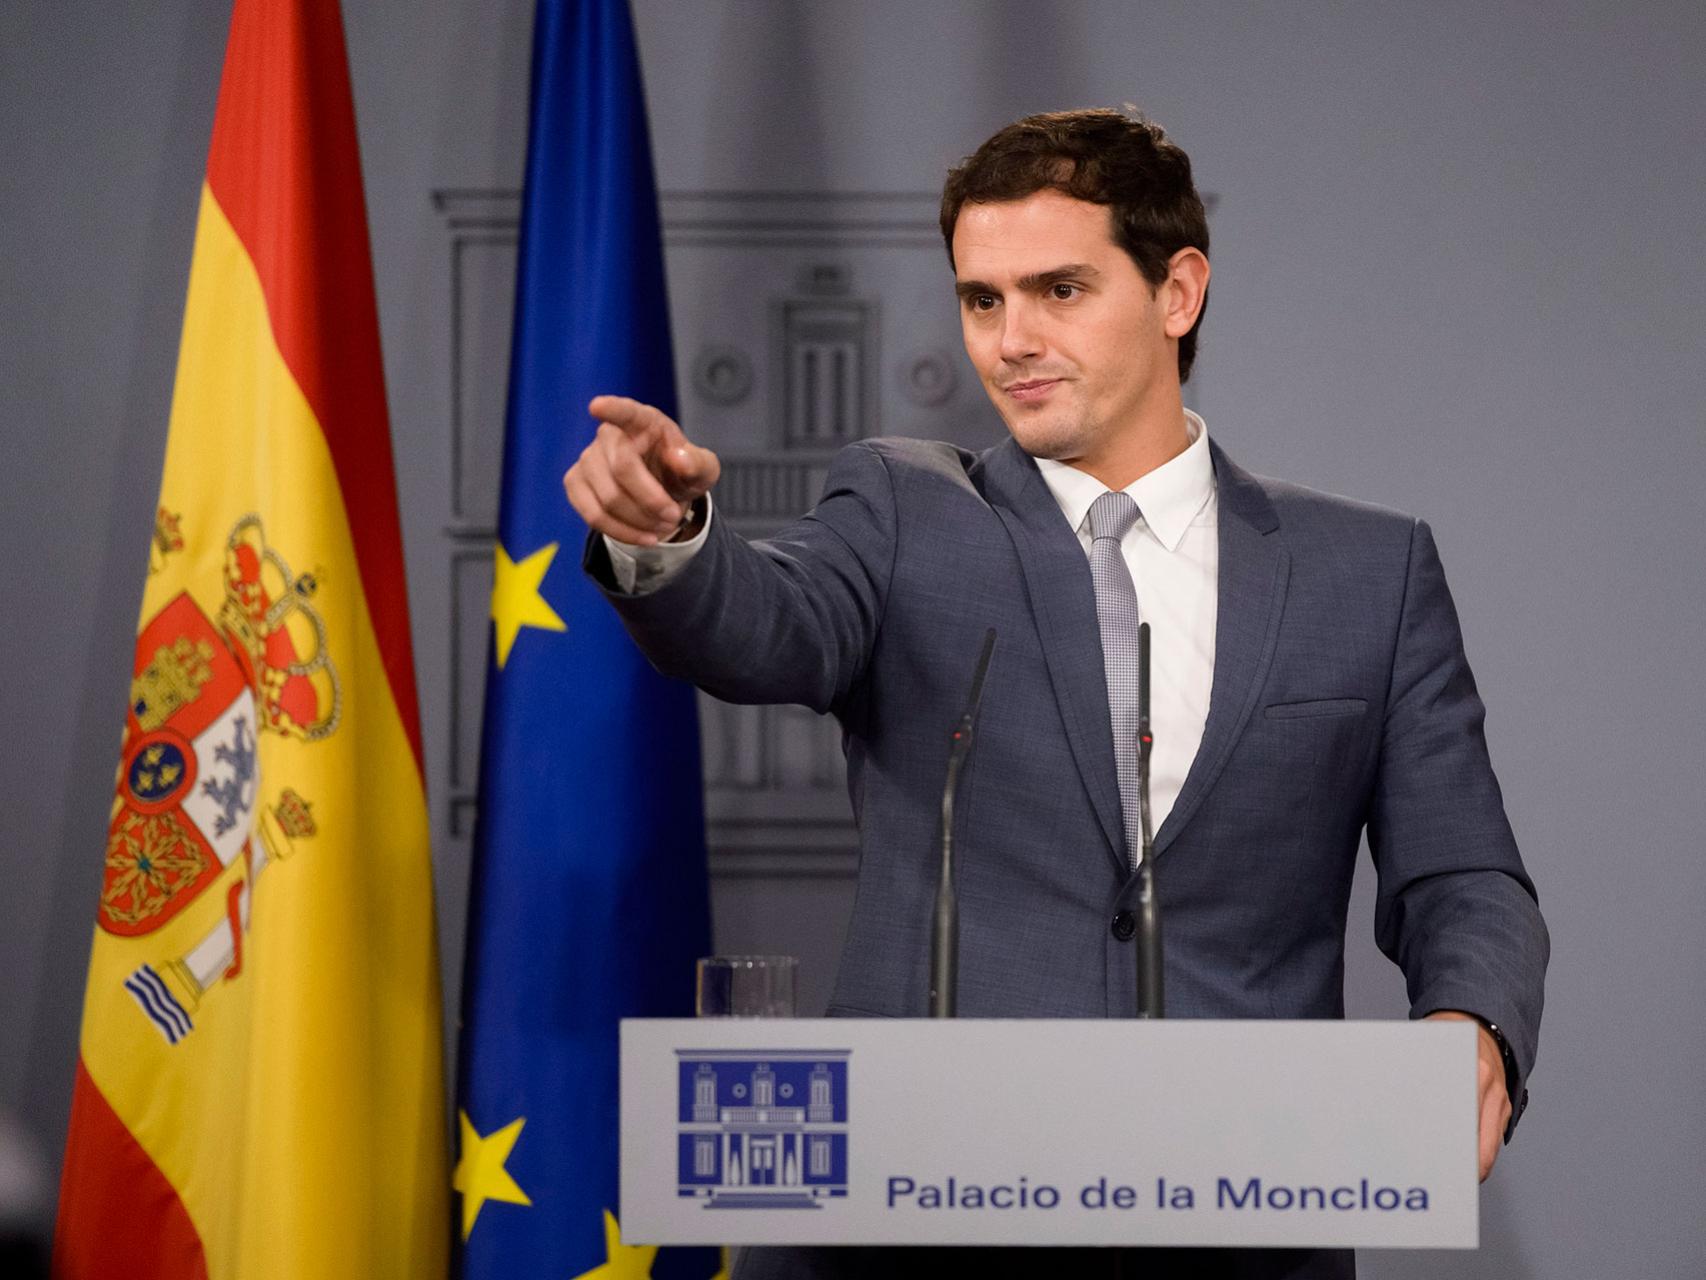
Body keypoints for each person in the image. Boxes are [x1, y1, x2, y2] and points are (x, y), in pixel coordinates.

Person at [565, 108, 1548, 1279]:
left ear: (1176, 291)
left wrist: (1470, 1021)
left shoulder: (1365, 572)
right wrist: (669, 537)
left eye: (1058, 290)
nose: (1010, 340)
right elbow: (762, 624)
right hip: (912, 1236)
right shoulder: (902, 511)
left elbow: (1462, 874)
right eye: (981, 299)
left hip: (1238, 1235)